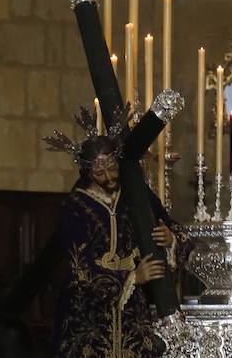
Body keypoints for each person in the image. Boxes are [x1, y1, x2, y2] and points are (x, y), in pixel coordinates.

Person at [52, 130, 189, 358]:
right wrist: (132, 277)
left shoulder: (134, 194)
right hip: (88, 313)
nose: (108, 176)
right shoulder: (75, 206)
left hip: (133, 311)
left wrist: (170, 239)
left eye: (112, 168)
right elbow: (80, 267)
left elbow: (174, 229)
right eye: (99, 172)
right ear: (87, 172)